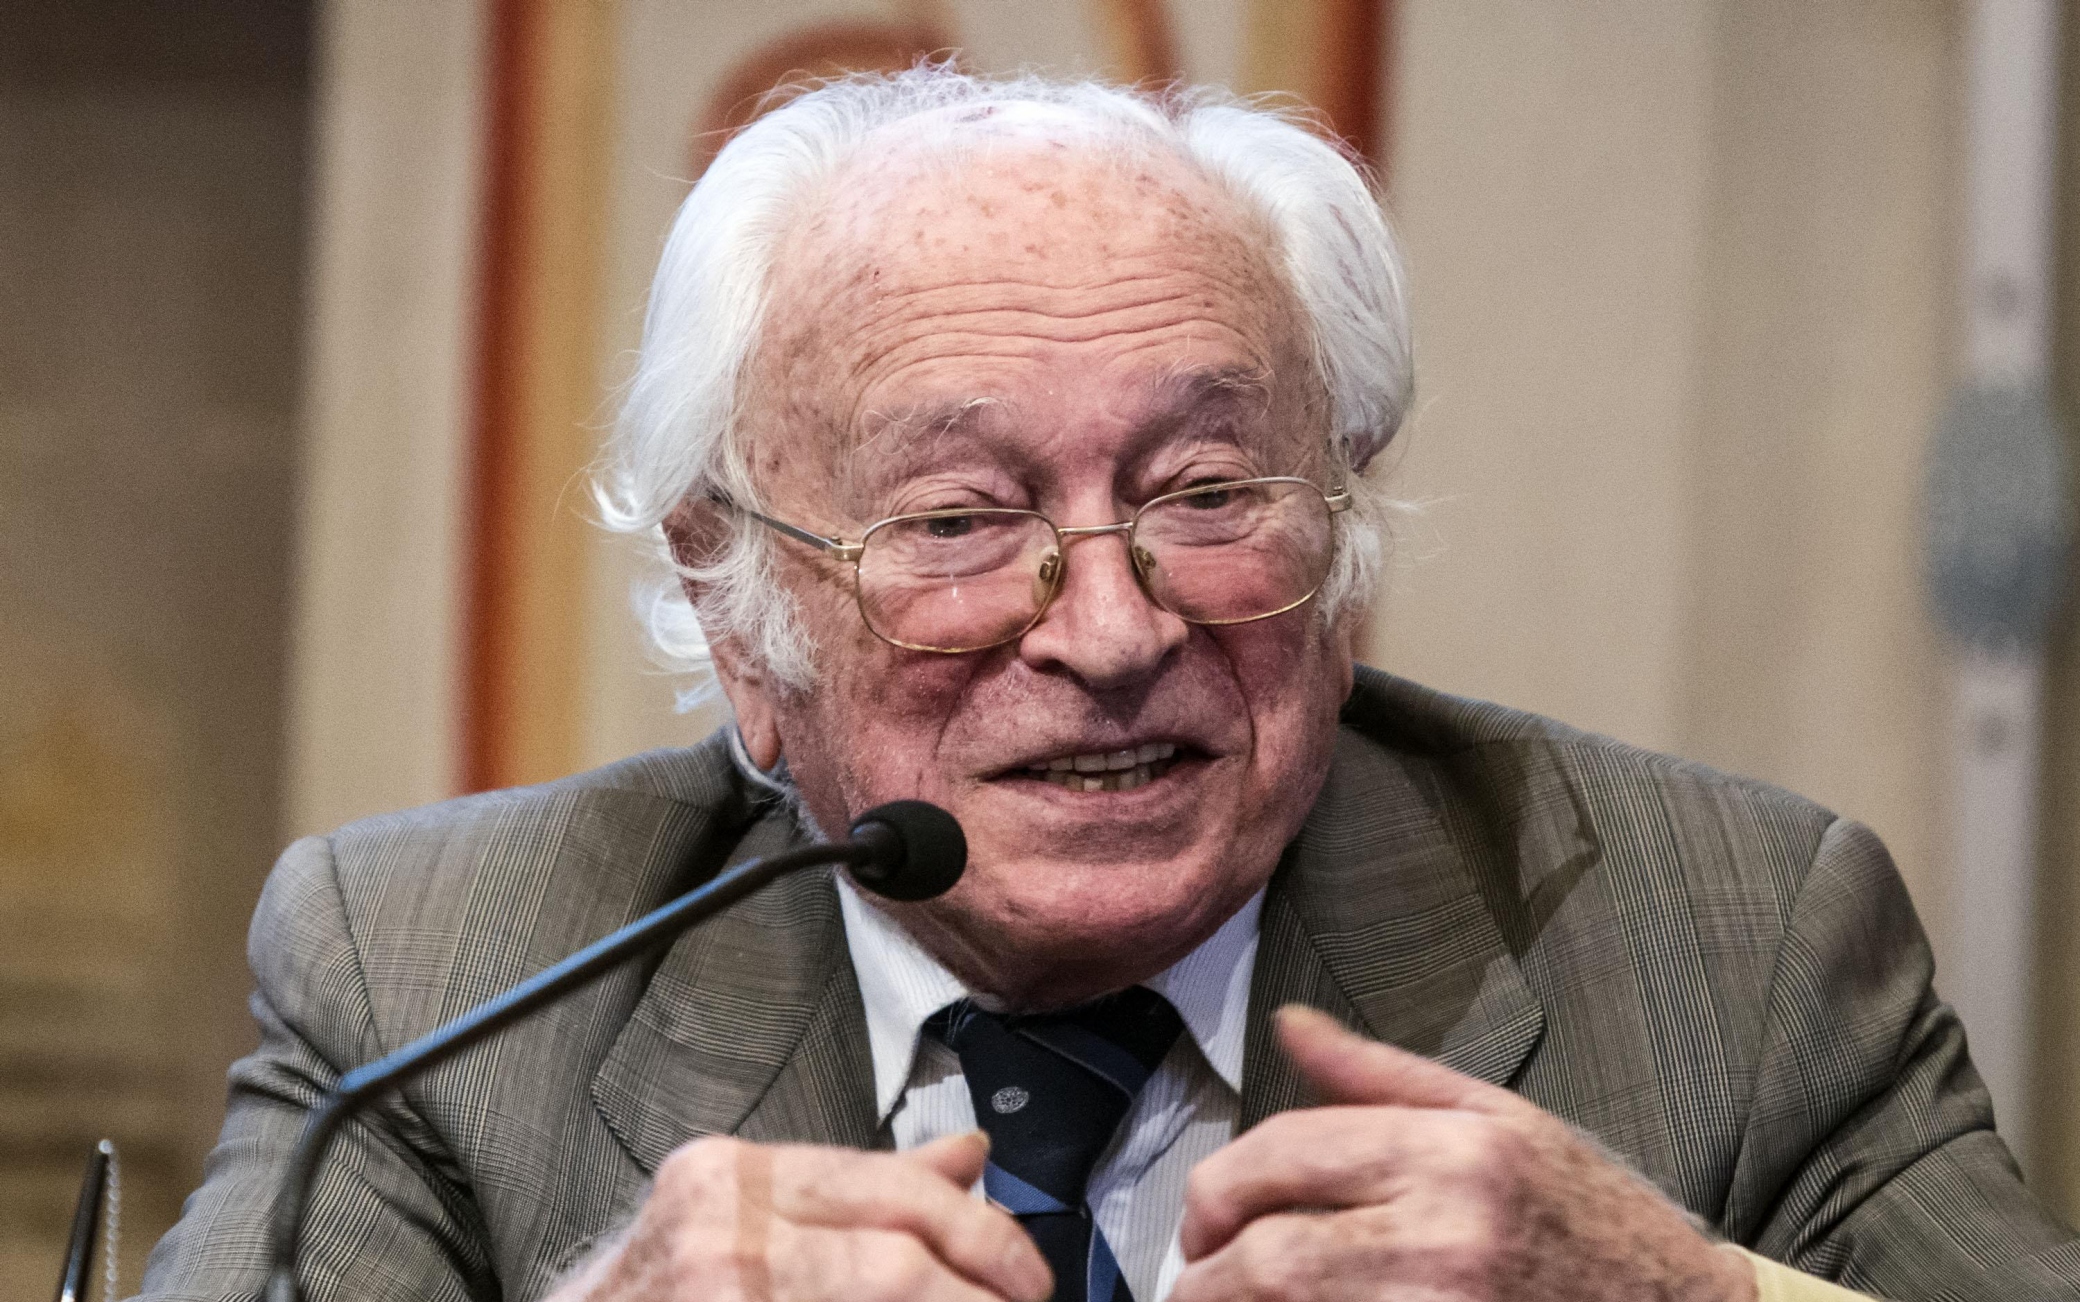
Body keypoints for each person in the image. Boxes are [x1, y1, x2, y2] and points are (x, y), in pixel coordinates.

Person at [143, 69, 2080, 1302]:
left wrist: (1689, 1301)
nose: (1108, 627)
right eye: (960, 518)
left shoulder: (1731, 945)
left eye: (1207, 493)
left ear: (1341, 533)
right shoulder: (436, 980)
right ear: (741, 618)